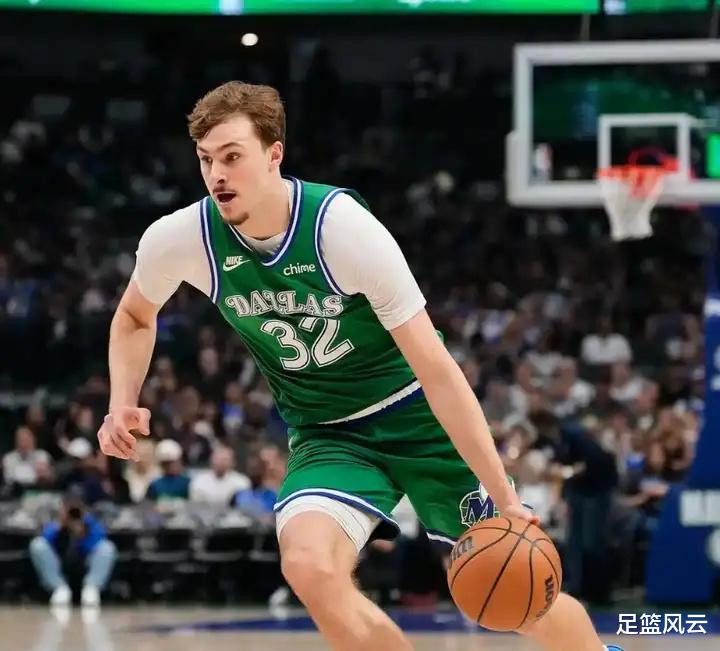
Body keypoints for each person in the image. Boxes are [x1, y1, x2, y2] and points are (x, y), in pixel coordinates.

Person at [97, 81, 623, 651]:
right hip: (328, 434)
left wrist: (506, 498)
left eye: (232, 157)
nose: (217, 175)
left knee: (514, 591)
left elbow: (436, 369)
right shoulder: (182, 238)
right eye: (206, 160)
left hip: (418, 417)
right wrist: (122, 400)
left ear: (274, 155)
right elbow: (134, 316)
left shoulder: (341, 229)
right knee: (307, 565)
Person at [29, 498, 117, 607]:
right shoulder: (57, 524)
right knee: (38, 544)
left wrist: (82, 533)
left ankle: (92, 588)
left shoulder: (90, 524)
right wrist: (59, 526)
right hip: (60, 562)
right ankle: (58, 588)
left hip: (85, 562)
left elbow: (101, 539)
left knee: (107, 547)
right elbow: (45, 538)